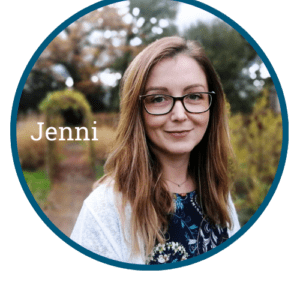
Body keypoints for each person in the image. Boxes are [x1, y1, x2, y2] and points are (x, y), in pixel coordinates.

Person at [70, 36, 240, 264]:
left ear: (212, 105)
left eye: (194, 96)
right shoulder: (106, 210)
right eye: (158, 98)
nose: (180, 115)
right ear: (137, 111)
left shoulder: (217, 194)